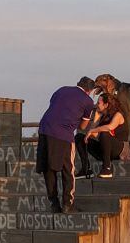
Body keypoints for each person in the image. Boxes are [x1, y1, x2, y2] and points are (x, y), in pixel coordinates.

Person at [36, 79, 97, 213]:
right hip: (63, 135)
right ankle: (68, 204)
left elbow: (55, 107)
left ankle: (54, 203)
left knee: (48, 168)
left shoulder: (61, 90)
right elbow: (82, 126)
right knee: (68, 169)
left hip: (44, 129)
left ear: (78, 84)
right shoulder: (88, 101)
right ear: (90, 90)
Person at [77, 93, 130, 179]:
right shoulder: (103, 117)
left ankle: (107, 169)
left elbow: (110, 127)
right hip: (105, 150)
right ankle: (86, 169)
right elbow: (93, 135)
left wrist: (92, 130)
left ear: (106, 105)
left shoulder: (118, 115)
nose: (96, 105)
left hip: (119, 150)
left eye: (98, 103)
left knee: (104, 133)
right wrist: (96, 118)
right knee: (79, 137)